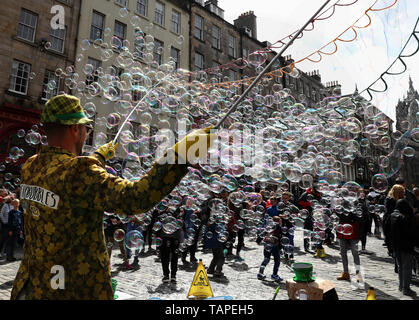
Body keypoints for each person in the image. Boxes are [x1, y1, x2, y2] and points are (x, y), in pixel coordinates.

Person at [11, 94, 215, 300]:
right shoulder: (81, 172)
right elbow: (137, 197)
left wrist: (97, 157)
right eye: (86, 129)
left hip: (30, 286)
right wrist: (180, 154)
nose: (85, 134)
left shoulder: (31, 166)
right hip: (71, 291)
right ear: (75, 129)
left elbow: (65, 183)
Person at [390, 196, 416, 296]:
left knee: (401, 267)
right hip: (406, 246)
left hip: (396, 246)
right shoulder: (405, 217)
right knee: (407, 268)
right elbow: (410, 233)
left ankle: (401, 286)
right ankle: (406, 288)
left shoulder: (392, 215)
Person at [335, 199, 362, 282]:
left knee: (355, 253)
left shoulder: (354, 207)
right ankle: (346, 273)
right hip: (342, 231)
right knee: (343, 253)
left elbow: (359, 220)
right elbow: (336, 219)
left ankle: (358, 274)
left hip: (352, 231)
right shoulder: (339, 207)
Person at [298, 185, 323, 256]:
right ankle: (306, 247)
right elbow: (299, 202)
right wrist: (308, 204)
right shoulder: (306, 194)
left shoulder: (318, 195)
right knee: (307, 230)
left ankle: (313, 246)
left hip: (316, 215)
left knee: (315, 231)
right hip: (307, 214)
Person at [257, 215, 283, 282]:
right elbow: (281, 237)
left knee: (266, 259)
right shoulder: (278, 227)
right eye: (280, 221)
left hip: (267, 244)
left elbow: (262, 234)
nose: (281, 222)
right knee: (277, 260)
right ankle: (274, 275)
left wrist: (258, 240)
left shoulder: (269, 227)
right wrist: (281, 246)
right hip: (274, 245)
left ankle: (260, 273)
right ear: (278, 222)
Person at [383, 184, 405, 261]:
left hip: (395, 223)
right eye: (402, 192)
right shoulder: (390, 200)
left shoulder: (392, 199)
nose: (403, 194)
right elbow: (390, 212)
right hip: (391, 223)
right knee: (393, 241)